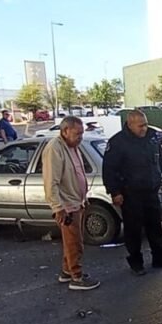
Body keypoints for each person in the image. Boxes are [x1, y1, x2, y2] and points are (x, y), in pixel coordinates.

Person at [103, 110, 162, 276]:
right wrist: (115, 192)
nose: (144, 128)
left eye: (145, 124)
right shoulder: (118, 142)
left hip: (151, 190)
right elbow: (109, 170)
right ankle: (136, 262)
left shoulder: (151, 137)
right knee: (133, 231)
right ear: (130, 125)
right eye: (140, 126)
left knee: (155, 227)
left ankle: (159, 258)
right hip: (130, 194)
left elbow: (160, 158)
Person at [42, 116, 100, 291]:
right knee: (74, 243)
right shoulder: (55, 148)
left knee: (72, 241)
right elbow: (51, 181)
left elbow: (77, 172)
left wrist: (83, 197)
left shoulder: (72, 146)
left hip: (76, 201)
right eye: (77, 134)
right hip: (67, 205)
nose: (80, 137)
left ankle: (67, 271)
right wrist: (58, 208)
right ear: (65, 131)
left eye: (82, 133)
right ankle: (77, 277)